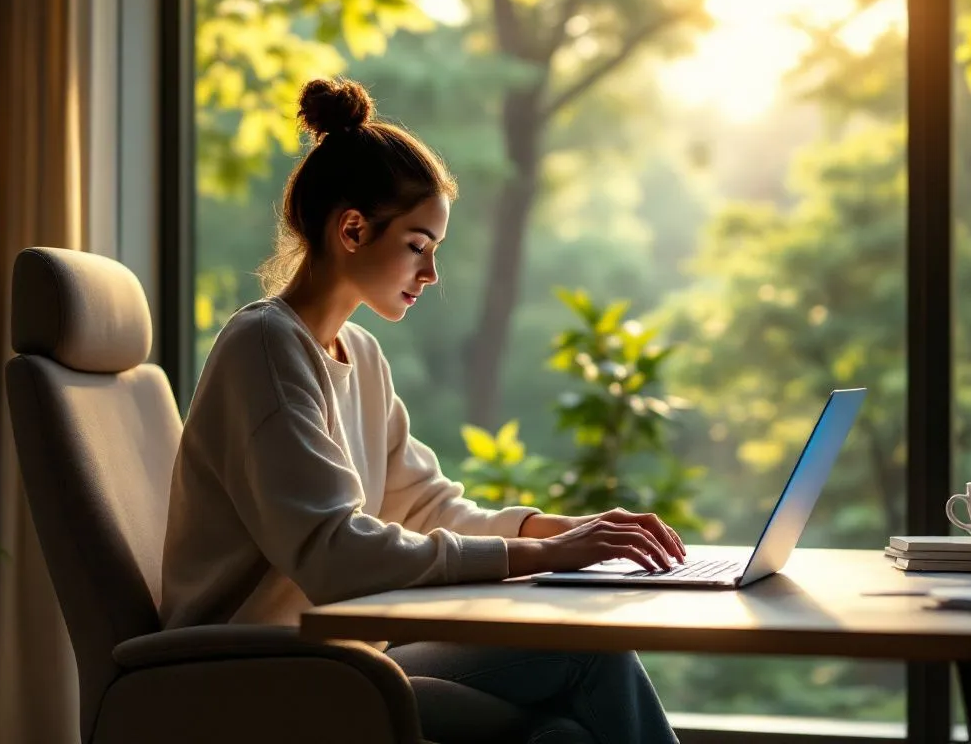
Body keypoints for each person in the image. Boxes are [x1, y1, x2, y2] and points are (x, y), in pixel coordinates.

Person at [159, 77, 685, 743]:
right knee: (572, 696)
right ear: (352, 228)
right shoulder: (264, 347)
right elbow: (333, 553)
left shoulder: (360, 355)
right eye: (417, 245)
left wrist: (566, 533)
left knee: (580, 692)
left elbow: (428, 507)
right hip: (255, 680)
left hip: (341, 661)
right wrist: (545, 554)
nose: (431, 272)